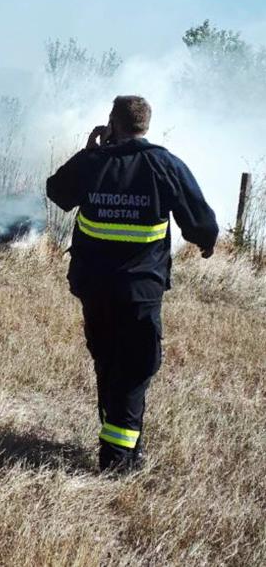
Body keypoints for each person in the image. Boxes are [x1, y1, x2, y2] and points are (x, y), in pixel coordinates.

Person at [46, 95, 218, 474]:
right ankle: (119, 460)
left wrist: (90, 152)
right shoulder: (164, 165)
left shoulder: (94, 163)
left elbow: (57, 192)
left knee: (108, 361)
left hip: (95, 287)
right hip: (141, 289)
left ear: (112, 122)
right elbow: (200, 222)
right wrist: (205, 243)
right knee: (137, 366)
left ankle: (117, 443)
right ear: (145, 125)